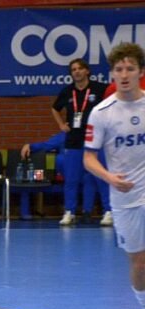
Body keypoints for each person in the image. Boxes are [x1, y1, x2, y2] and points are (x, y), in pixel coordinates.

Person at [84, 42, 145, 309]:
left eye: (130, 68)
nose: (124, 74)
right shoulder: (101, 113)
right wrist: (109, 177)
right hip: (125, 199)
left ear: (140, 72)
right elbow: (89, 158)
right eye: (119, 69)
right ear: (112, 74)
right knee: (140, 263)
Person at [52, 58, 110, 226]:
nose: (76, 72)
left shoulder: (100, 88)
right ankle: (69, 212)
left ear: (87, 71)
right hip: (74, 140)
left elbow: (114, 103)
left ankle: (108, 211)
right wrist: (61, 124)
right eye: (73, 69)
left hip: (96, 140)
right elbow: (55, 108)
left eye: (79, 68)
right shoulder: (67, 91)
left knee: (101, 177)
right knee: (71, 179)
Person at [20, 132, 111, 224]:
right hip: (74, 174)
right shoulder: (66, 136)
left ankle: (86, 212)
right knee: (84, 177)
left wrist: (31, 146)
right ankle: (82, 212)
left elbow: (47, 145)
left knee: (89, 177)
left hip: (85, 175)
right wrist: (31, 146)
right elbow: (47, 145)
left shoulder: (92, 136)